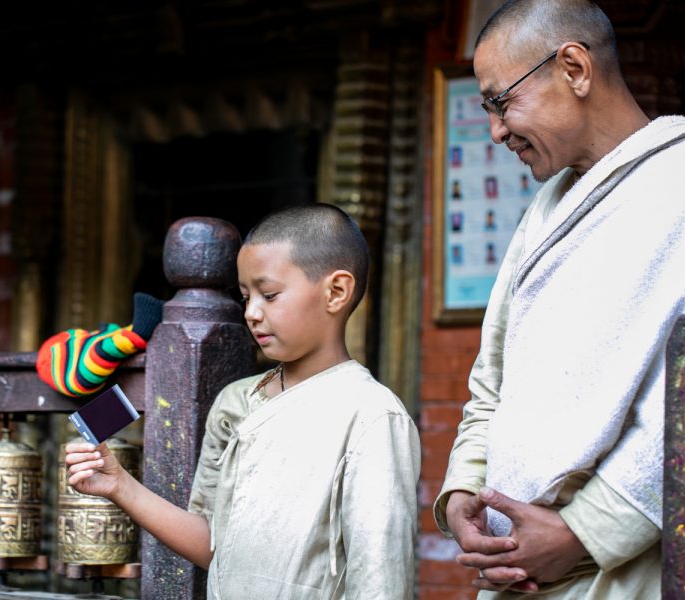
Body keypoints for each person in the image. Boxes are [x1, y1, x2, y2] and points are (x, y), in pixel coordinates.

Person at [433, 1, 685, 598]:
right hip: (516, 570)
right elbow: (493, 379)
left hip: (627, 570)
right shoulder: (547, 208)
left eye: (501, 102)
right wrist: (466, 489)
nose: (496, 130)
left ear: (574, 68)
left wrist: (582, 532)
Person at [66, 204, 421, 600]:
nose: (251, 313)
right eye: (246, 297)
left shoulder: (372, 416)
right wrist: (120, 485)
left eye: (269, 295)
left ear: (335, 292)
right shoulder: (236, 403)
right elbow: (214, 546)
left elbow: (381, 580)